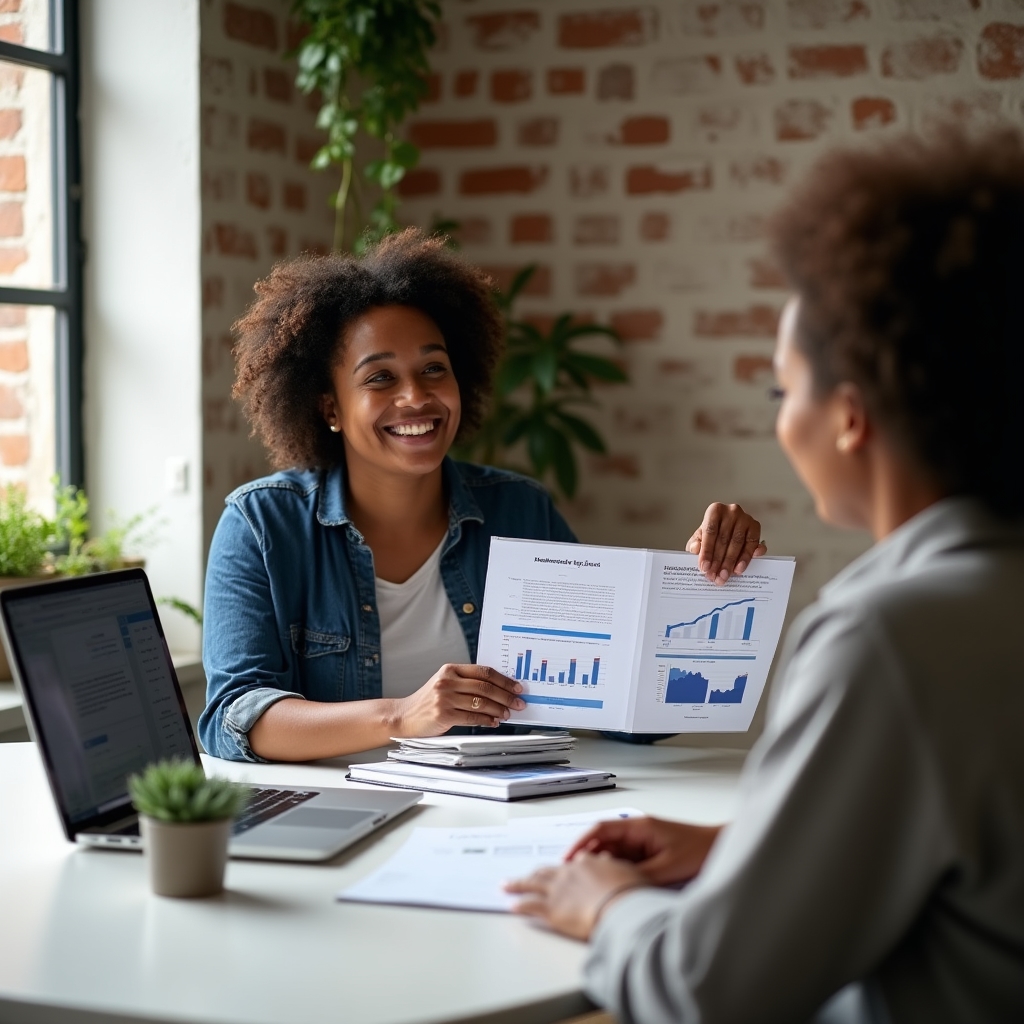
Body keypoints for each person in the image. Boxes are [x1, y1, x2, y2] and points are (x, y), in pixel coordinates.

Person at [507, 129, 1024, 1023]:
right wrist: (734, 844)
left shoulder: (890, 637)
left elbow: (710, 992)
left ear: (851, 415)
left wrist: (604, 906)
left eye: (784, 392)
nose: (784, 422)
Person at [199, 230, 767, 763]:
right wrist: (401, 716)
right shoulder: (261, 525)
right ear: (329, 408)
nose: (417, 397)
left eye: (433, 369)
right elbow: (233, 720)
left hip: (495, 816)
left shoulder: (519, 511)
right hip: (340, 810)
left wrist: (705, 581)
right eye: (380, 379)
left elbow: (624, 709)